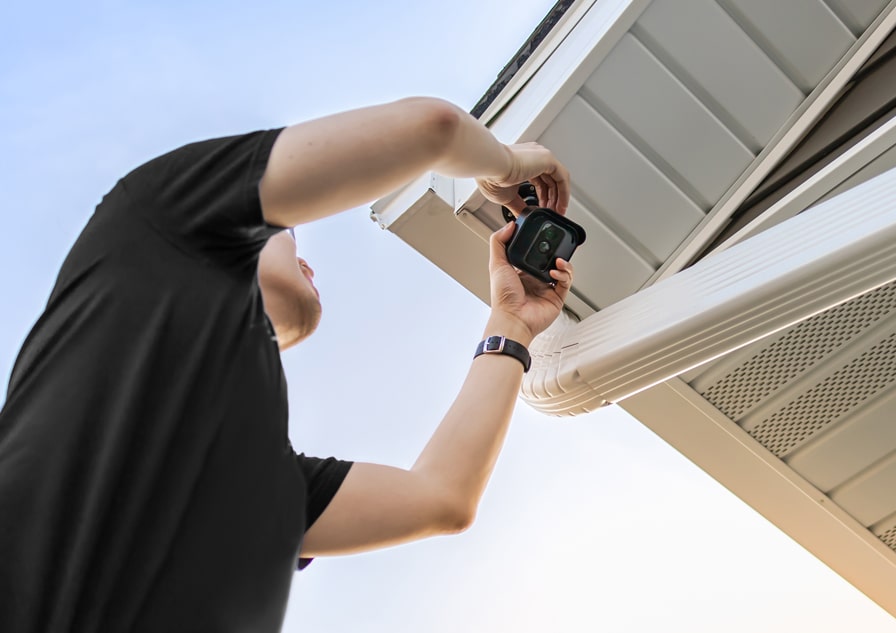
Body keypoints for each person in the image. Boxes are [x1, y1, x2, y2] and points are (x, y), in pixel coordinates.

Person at [0, 97, 573, 631]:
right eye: (288, 231)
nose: (307, 260)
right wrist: (508, 162)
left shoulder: (267, 483)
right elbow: (433, 129)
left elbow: (441, 497)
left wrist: (511, 326)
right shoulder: (146, 221)